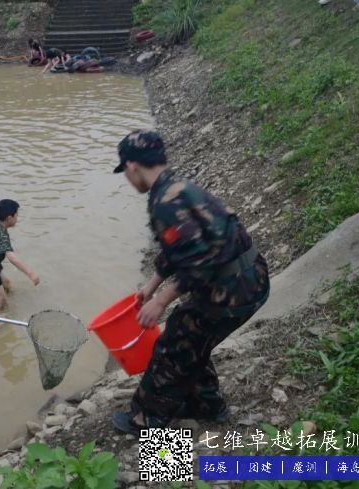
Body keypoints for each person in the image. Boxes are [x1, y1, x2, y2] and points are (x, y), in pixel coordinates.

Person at [110, 130, 270, 435]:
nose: (128, 180)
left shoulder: (164, 203)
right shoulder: (177, 187)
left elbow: (200, 263)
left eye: (126, 173)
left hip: (235, 288)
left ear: (132, 166)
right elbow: (180, 248)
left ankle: (148, 420)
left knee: (173, 347)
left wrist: (161, 301)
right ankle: (206, 405)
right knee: (190, 334)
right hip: (249, 276)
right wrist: (151, 286)